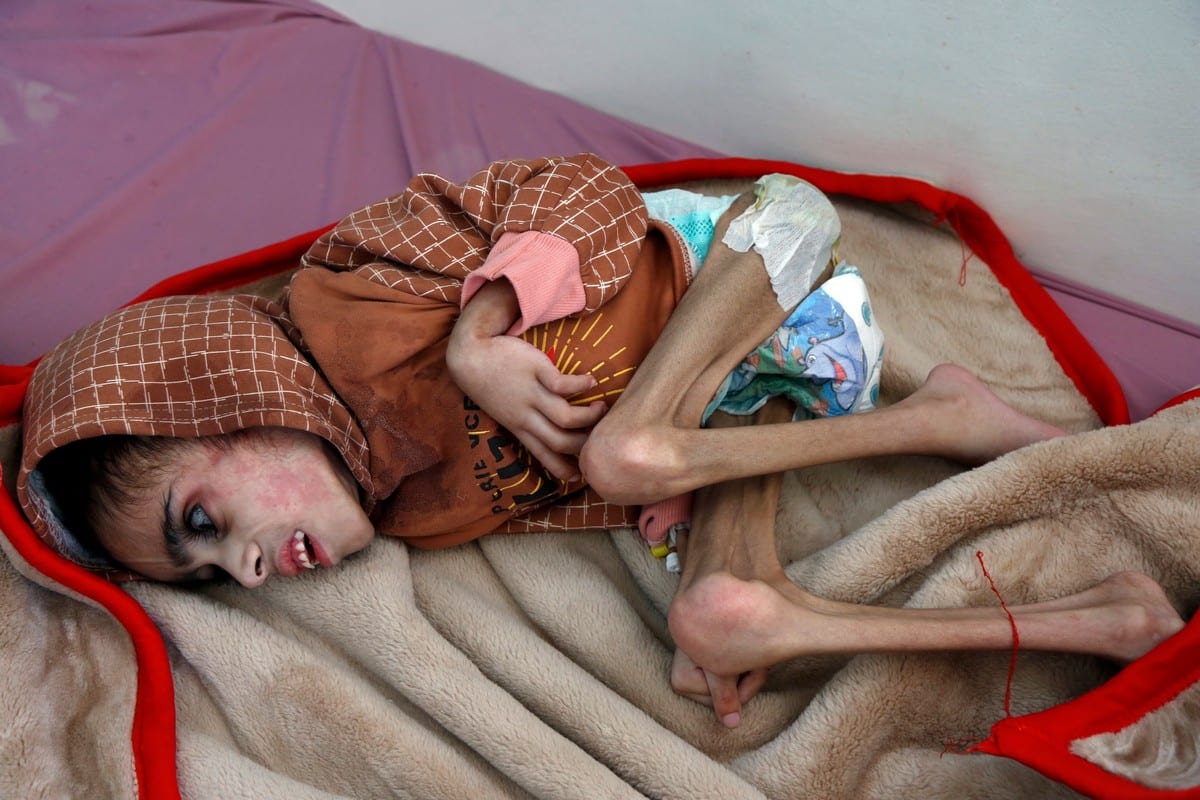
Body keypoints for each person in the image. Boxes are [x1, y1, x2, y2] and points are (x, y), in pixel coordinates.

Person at [17, 154, 1184, 729]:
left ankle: (951, 420)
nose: (250, 570)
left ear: (212, 396)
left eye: (206, 524)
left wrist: (480, 333)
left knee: (633, 451)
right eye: (214, 576)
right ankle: (1097, 607)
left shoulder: (346, 290)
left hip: (745, 266)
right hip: (750, 403)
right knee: (717, 613)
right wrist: (668, 533)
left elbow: (577, 192)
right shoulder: (414, 513)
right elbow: (567, 490)